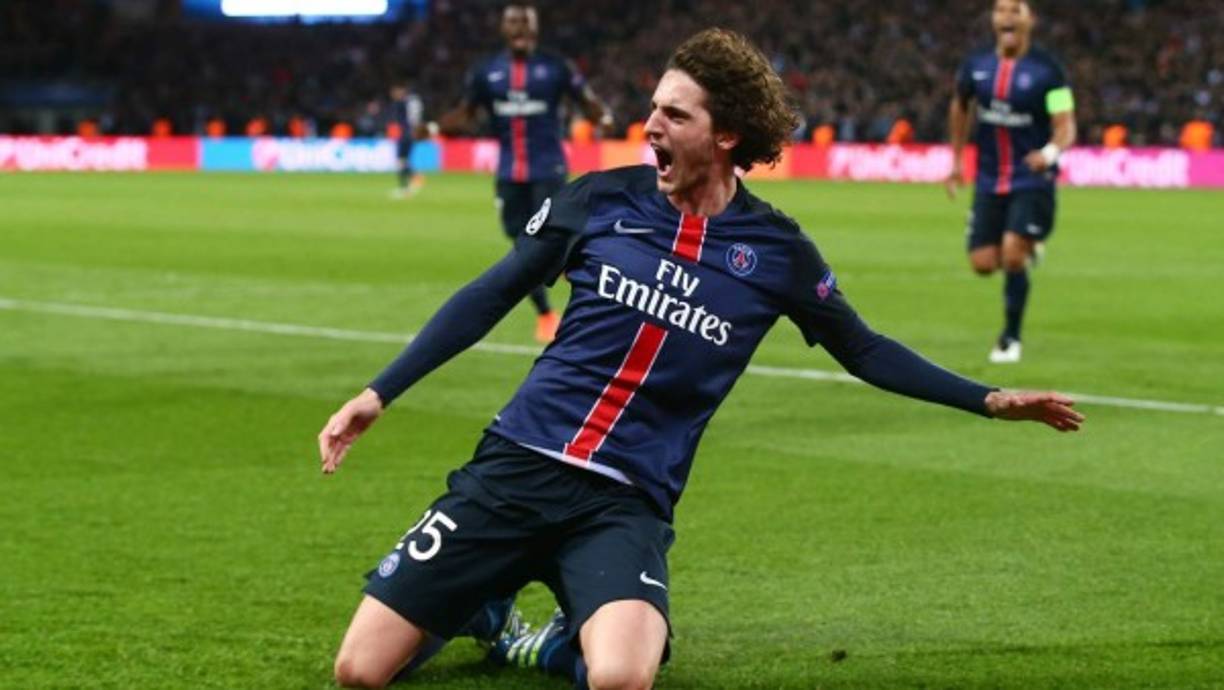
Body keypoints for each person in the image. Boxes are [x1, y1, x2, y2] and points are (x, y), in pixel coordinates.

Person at [320, 28, 1085, 690]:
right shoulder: (598, 200)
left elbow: (864, 349)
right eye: (652, 106)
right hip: (515, 468)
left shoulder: (778, 251)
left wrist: (986, 398)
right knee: (359, 670)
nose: (648, 123)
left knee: (622, 676)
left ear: (724, 136)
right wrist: (378, 393)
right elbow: (489, 294)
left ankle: (540, 638)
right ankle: (476, 602)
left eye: (672, 114)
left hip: (622, 501)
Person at [437, 3, 613, 344]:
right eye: (513, 22)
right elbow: (465, 111)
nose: (519, 29)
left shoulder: (555, 67)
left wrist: (601, 118)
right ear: (504, 29)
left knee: (543, 242)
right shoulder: (486, 71)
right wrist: (434, 127)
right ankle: (548, 308)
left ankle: (564, 305)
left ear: (535, 28)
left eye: (525, 23)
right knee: (520, 242)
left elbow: (586, 98)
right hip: (508, 173)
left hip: (548, 168)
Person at [945, 0, 1077, 363]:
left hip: (1031, 178)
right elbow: (959, 105)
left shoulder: (1049, 71)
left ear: (1030, 20)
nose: (1006, 16)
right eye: (1000, 10)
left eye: (1015, 10)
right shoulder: (976, 66)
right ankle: (1027, 247)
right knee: (983, 263)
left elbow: (1066, 125)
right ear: (993, 19)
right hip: (989, 179)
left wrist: (1049, 153)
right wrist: (956, 161)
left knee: (1012, 254)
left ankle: (1010, 339)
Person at [389, 82, 426, 199]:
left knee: (401, 161)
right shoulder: (414, 100)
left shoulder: (402, 103)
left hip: (406, 134)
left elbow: (403, 120)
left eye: (395, 91)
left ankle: (406, 186)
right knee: (404, 160)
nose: (393, 94)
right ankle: (412, 180)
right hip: (412, 134)